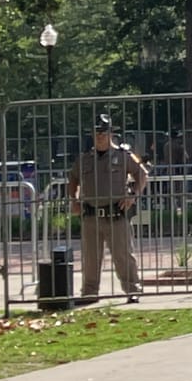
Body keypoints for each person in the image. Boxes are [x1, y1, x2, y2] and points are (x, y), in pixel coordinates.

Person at [67, 114, 149, 301]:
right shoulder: (85, 159)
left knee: (123, 255)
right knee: (90, 258)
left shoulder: (123, 155)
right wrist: (74, 199)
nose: (100, 136)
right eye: (96, 133)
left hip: (115, 215)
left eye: (103, 132)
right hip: (90, 215)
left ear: (111, 133)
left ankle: (132, 290)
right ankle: (89, 292)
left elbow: (142, 174)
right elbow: (73, 178)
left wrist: (132, 195)